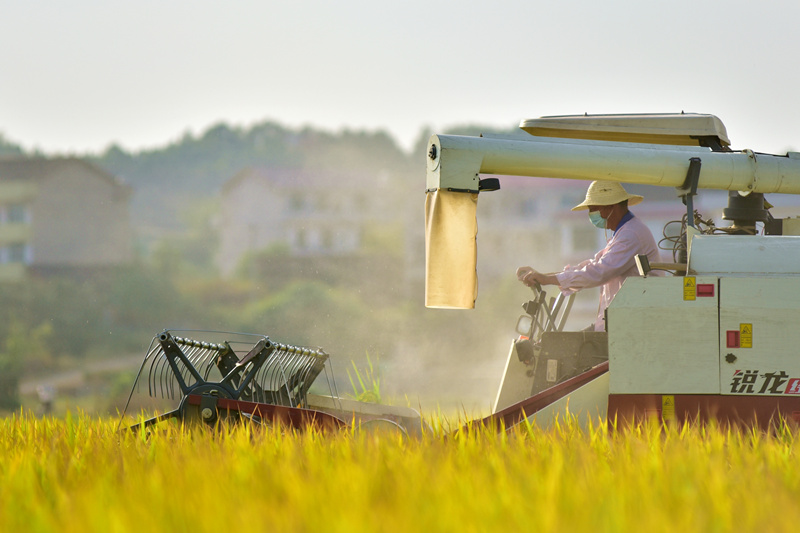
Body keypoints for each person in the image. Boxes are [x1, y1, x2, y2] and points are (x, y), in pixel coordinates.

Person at [516, 180, 661, 332]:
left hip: (634, 325)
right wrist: (544, 277)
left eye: (593, 210)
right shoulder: (623, 233)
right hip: (620, 323)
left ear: (610, 206)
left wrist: (546, 279)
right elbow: (591, 266)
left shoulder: (630, 235)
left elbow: (598, 272)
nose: (591, 215)